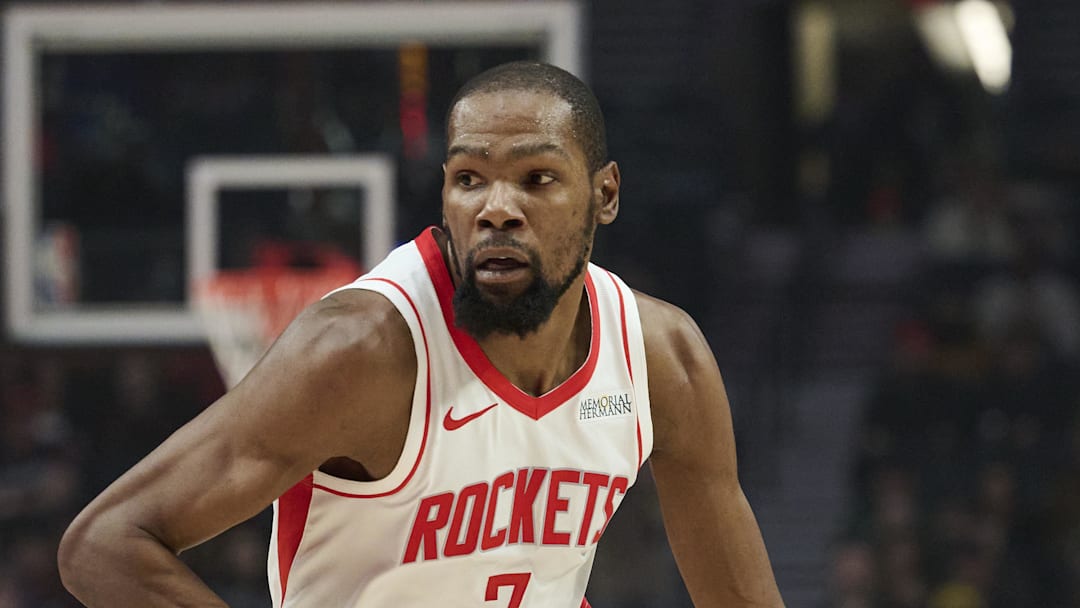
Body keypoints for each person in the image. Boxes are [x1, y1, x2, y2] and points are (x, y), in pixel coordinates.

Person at [57, 61, 784, 607]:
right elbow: (104, 545)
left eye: (536, 178)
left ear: (605, 194)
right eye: (471, 178)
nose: (497, 208)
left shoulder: (663, 360)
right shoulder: (361, 352)